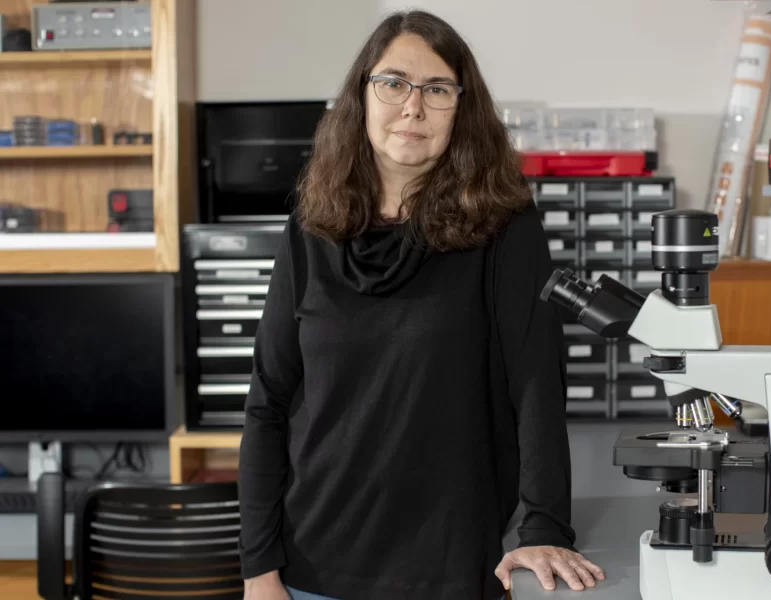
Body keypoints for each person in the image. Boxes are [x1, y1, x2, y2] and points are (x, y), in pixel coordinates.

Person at [238, 9, 605, 600]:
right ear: (363, 96)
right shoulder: (310, 227)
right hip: (311, 566)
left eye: (437, 89)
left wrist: (544, 525)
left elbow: (536, 384)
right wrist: (259, 569)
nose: (413, 106)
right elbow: (268, 400)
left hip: (450, 566)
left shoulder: (505, 227)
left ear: (462, 109)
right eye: (393, 83)